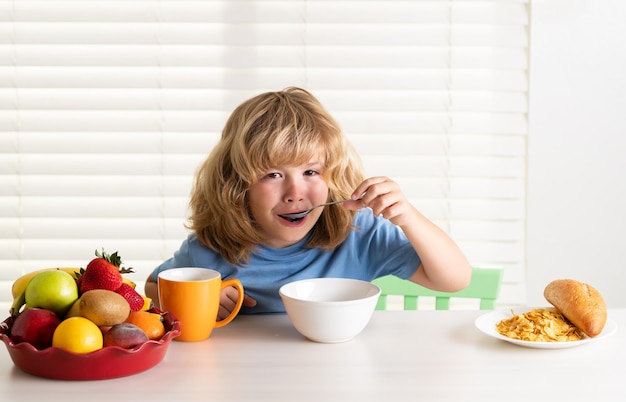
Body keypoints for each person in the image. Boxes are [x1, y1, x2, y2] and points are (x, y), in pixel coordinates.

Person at [145, 87, 471, 318]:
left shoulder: (358, 234)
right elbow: (151, 286)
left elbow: (454, 280)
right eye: (272, 174)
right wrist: (200, 299)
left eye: (311, 171)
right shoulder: (210, 249)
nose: (295, 192)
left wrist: (408, 217)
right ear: (235, 184)